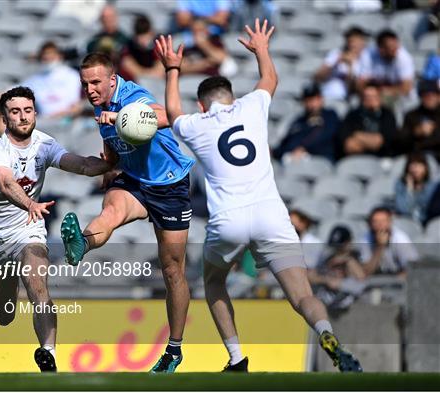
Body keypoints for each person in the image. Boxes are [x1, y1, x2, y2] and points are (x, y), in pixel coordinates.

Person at [154, 19, 362, 372]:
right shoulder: (252, 106)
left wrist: (172, 69)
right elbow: (270, 80)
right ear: (231, 98)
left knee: (214, 281)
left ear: (203, 106)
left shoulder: (197, 124)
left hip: (229, 220)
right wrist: (261, 49)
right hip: (270, 216)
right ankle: (328, 335)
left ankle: (236, 358)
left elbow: (173, 112)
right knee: (303, 295)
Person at [59, 52, 195, 373]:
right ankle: (81, 243)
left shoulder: (131, 94)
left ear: (111, 79)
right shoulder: (99, 102)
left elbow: (167, 116)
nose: (90, 89)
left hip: (169, 184)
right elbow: (113, 144)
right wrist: (109, 164)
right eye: (85, 84)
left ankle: (174, 350)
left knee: (172, 269)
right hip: (133, 178)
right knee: (111, 211)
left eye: (95, 82)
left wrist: (119, 117)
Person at [0, 86, 117, 372]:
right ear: (4, 118)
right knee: (3, 314)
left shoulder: (44, 144)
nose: (23, 117)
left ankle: (48, 354)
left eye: (27, 110)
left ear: (35, 113)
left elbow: (81, 164)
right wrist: (29, 203)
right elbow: (5, 182)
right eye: (15, 112)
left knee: (38, 287)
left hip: (28, 230)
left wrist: (108, 165)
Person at [273, 84, 340, 163]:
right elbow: (286, 142)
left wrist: (304, 148)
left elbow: (327, 135)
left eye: (314, 99)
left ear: (321, 99)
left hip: (321, 158)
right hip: (294, 158)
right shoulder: (299, 121)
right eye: (308, 100)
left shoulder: (330, 116)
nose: (311, 104)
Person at [308, 226, 366, 310]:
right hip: (326, 303)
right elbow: (310, 276)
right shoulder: (327, 259)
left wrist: (347, 261)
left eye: (340, 246)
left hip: (352, 306)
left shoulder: (356, 257)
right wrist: (326, 280)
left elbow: (361, 280)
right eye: (335, 246)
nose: (337, 249)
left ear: (348, 243)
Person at [337, 82, 396, 158]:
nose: (370, 100)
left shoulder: (387, 115)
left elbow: (382, 142)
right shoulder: (352, 116)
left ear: (379, 97)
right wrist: (371, 142)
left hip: (382, 159)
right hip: (357, 158)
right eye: (367, 97)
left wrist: (357, 135)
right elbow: (349, 145)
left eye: (373, 96)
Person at [356, 29, 414, 104]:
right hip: (375, 91)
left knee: (385, 99)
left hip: (399, 95)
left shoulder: (404, 58)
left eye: (396, 46)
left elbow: (406, 87)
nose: (395, 50)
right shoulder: (368, 55)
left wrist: (388, 91)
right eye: (391, 47)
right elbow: (360, 83)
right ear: (381, 49)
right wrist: (370, 93)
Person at [359, 207, 419, 277]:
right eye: (375, 221)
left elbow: (411, 267)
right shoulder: (365, 239)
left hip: (398, 277)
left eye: (383, 221)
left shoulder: (400, 239)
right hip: (376, 277)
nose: (380, 225)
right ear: (370, 224)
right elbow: (366, 271)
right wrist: (380, 247)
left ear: (390, 222)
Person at [314, 26, 369, 101]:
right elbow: (317, 77)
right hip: (326, 96)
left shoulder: (366, 59)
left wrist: (350, 66)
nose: (351, 45)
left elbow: (353, 89)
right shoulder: (336, 53)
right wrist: (335, 63)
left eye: (354, 41)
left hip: (345, 99)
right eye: (349, 42)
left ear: (362, 42)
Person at [397, 79, 440, 162]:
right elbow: (400, 142)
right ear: (421, 97)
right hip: (418, 159)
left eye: (433, 95)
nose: (430, 98)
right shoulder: (412, 115)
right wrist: (416, 132)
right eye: (426, 96)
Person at [119, 14, 164, 82]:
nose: (143, 41)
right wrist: (145, 73)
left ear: (151, 33)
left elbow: (160, 72)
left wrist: (143, 73)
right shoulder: (129, 46)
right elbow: (126, 63)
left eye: (145, 37)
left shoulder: (159, 44)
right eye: (140, 37)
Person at [394, 152, 437, 225]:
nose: (415, 169)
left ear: (425, 167)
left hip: (427, 222)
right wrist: (409, 189)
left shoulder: (433, 186)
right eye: (412, 165)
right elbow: (403, 209)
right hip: (407, 222)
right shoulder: (401, 185)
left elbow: (428, 207)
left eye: (419, 165)